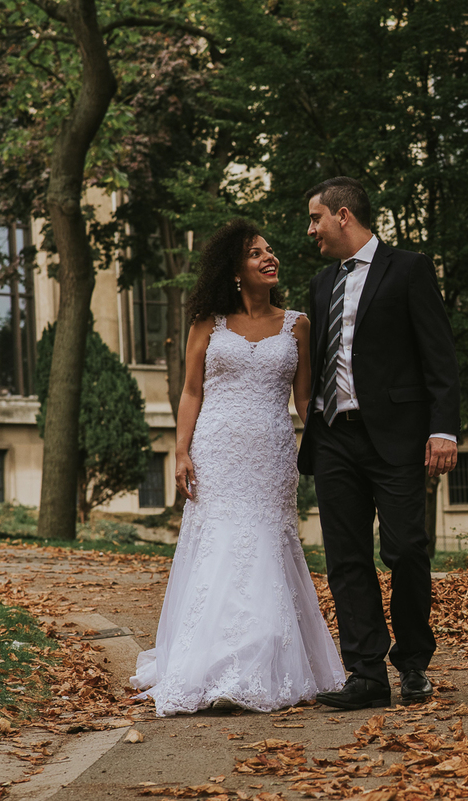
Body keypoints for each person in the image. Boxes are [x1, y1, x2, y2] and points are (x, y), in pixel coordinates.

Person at [130, 219, 345, 716]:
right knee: (221, 549)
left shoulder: (298, 324)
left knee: (265, 547)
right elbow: (191, 391)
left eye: (270, 251)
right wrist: (181, 451)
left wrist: (333, 447)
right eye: (256, 253)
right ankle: (213, 667)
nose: (269, 258)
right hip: (217, 452)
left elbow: (305, 398)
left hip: (270, 453)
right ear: (234, 271)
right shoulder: (208, 323)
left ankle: (258, 663)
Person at [298, 177, 461, 710]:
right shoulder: (322, 283)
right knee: (346, 558)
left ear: (343, 215)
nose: (311, 229)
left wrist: (443, 429)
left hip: (396, 438)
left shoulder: (409, 268)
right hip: (334, 438)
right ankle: (365, 673)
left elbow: (438, 355)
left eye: (316, 217)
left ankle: (412, 661)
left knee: (406, 550)